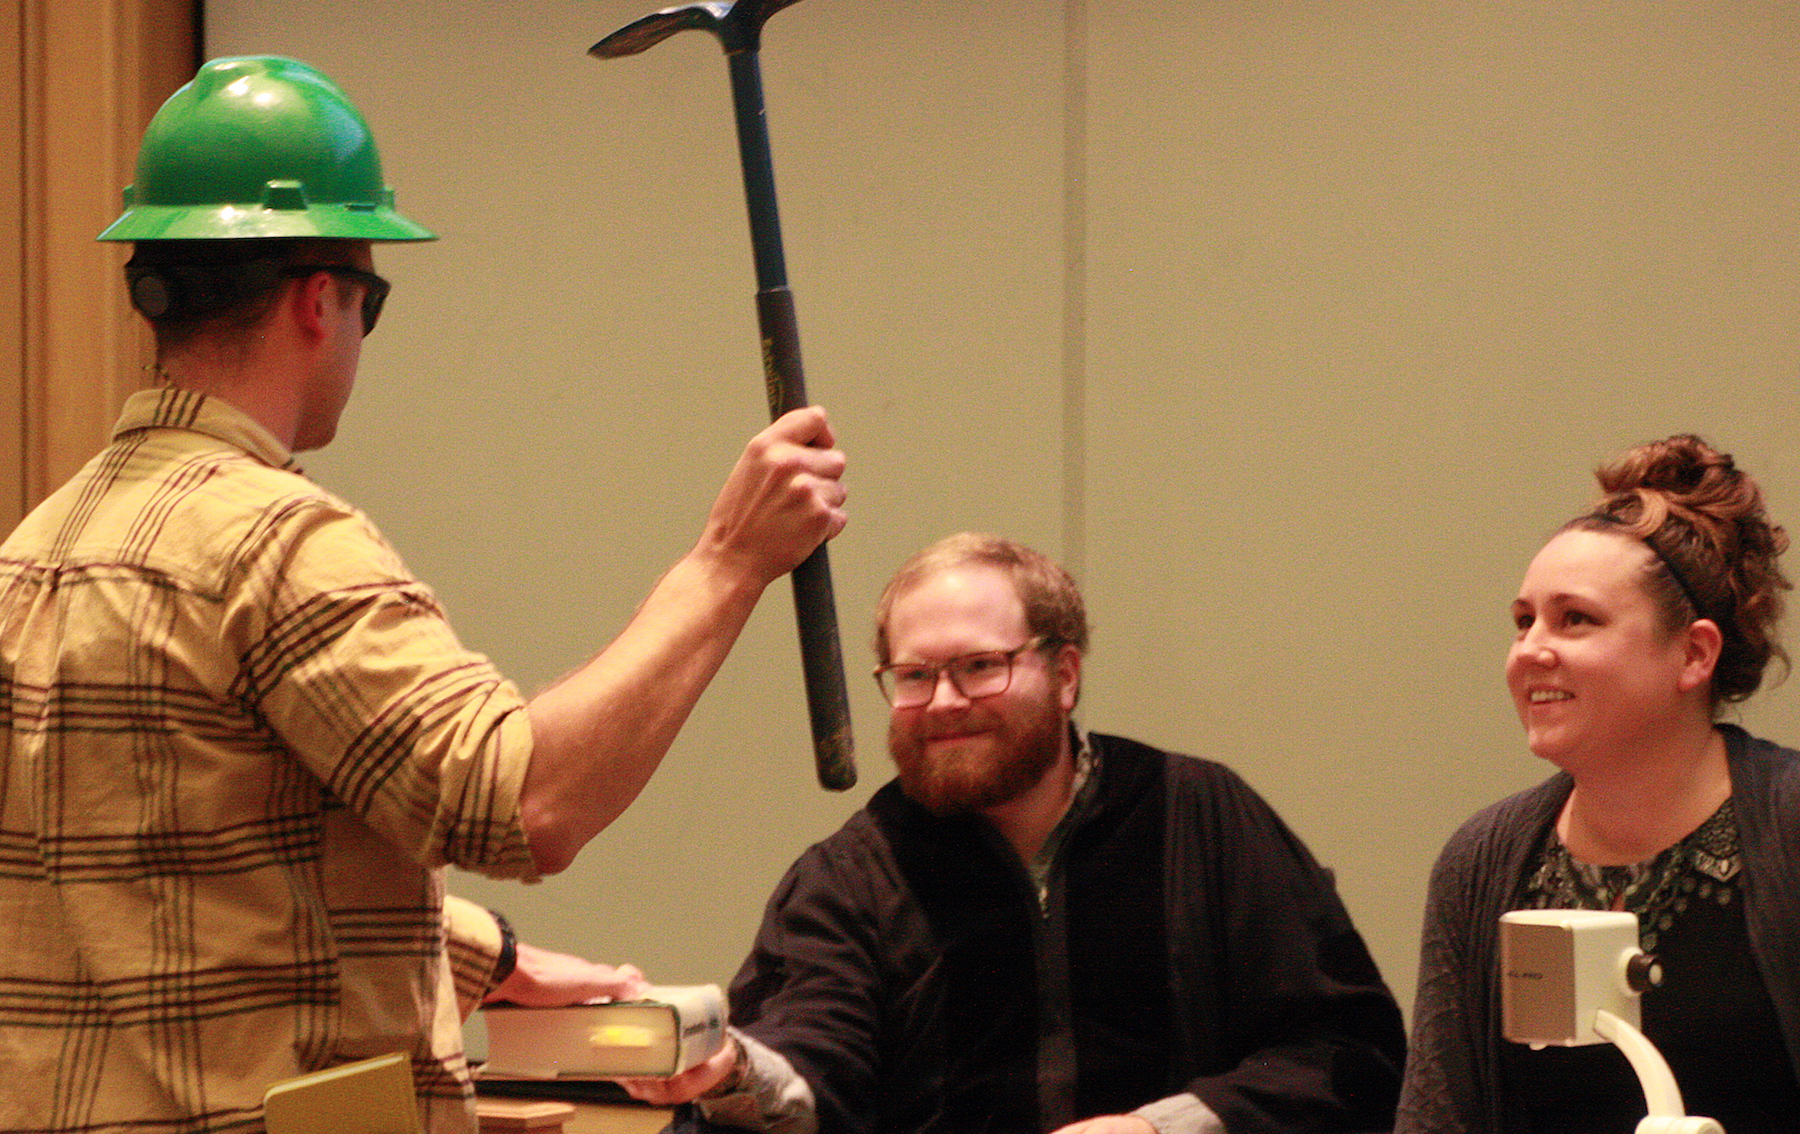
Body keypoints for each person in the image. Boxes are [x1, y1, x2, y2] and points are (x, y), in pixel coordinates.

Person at [0, 56, 846, 1133]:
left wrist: (496, 962)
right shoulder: (273, 540)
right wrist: (728, 564)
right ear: (321, 300)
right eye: (371, 304)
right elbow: (524, 805)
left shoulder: (39, 546)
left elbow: (184, 859)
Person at [628, 533, 1406, 1134]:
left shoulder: (1200, 817)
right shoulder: (851, 876)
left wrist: (1162, 1126)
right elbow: (812, 1057)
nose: (941, 702)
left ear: (1065, 675)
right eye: (914, 675)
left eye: (978, 666)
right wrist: (728, 1069)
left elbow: (1348, 1054)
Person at [1395, 434, 1800, 1134]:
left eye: (1574, 619)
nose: (1531, 651)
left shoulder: (1788, 825)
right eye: (1524, 622)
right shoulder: (1482, 862)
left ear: (1693, 653)